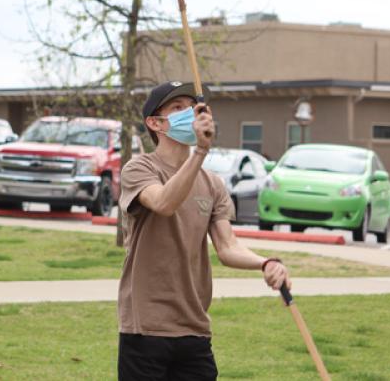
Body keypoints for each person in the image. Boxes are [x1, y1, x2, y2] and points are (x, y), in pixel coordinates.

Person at [118, 81, 291, 381]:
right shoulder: (139, 168)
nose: (190, 114)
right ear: (155, 123)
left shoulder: (212, 184)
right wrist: (200, 151)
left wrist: (266, 262)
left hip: (194, 329)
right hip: (145, 329)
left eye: (192, 107)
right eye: (178, 108)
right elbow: (163, 202)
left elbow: (228, 248)